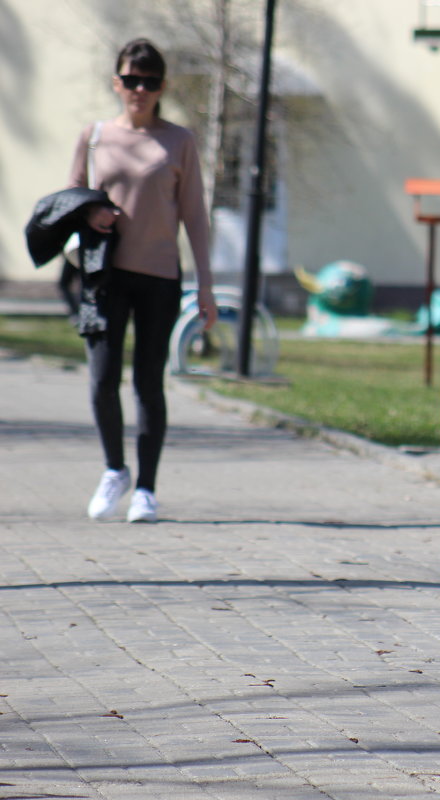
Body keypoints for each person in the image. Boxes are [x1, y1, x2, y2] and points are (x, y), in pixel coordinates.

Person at [68, 38, 216, 523]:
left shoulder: (179, 141)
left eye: (149, 82)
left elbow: (194, 216)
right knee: (102, 378)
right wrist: (90, 211)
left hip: (160, 277)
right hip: (105, 277)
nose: (139, 89)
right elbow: (70, 198)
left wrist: (207, 288)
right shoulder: (93, 137)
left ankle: (146, 490)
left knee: (148, 383)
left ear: (162, 88)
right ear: (117, 83)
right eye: (131, 80)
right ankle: (115, 469)